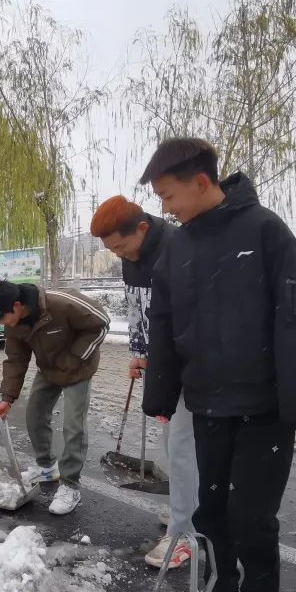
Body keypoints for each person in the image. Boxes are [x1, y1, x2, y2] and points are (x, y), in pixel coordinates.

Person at [140, 138, 296, 592]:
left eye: (169, 195)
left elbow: (295, 317)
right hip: (207, 402)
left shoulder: (265, 231)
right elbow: (165, 325)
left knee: (252, 514)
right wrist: (162, 392)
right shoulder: (177, 246)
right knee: (210, 509)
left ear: (202, 182)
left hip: (265, 406)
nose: (165, 208)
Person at [90, 195, 197, 571]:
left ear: (142, 229)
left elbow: (191, 315)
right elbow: (137, 308)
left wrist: (169, 361)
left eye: (121, 245)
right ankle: (188, 509)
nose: (120, 255)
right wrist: (140, 352)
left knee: (183, 443)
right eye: (112, 250)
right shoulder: (130, 259)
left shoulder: (179, 247)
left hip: (190, 365)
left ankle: (186, 532)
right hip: (159, 364)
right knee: (173, 442)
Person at [0, 281, 110, 515]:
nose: (3, 324)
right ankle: (47, 467)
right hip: (48, 369)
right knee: (34, 416)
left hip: (77, 368)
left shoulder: (60, 303)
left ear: (17, 305)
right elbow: (15, 360)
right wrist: (7, 398)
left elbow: (101, 323)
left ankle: (70, 485)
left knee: (73, 426)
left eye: (2, 318)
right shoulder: (14, 324)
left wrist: (76, 357)